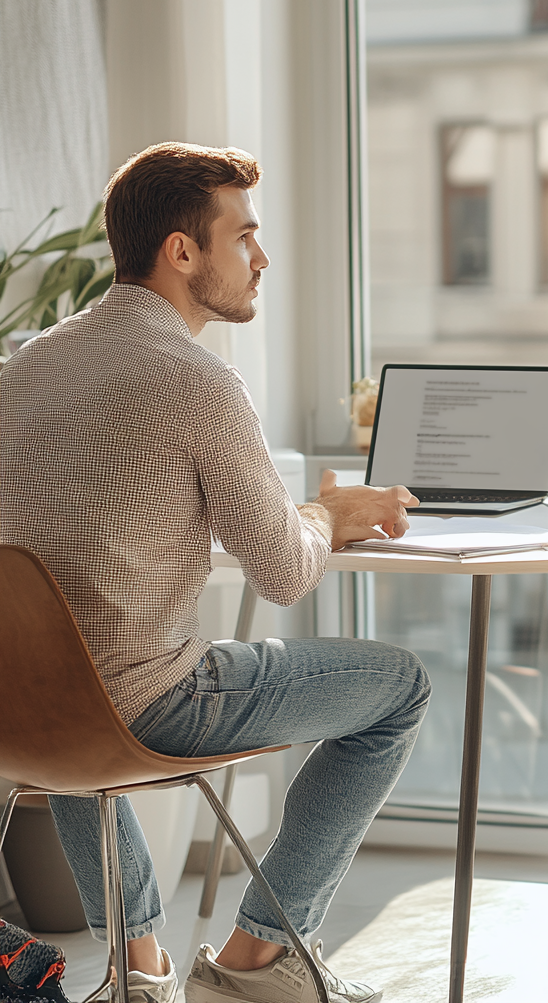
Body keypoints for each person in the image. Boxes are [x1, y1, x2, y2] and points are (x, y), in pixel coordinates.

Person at [0, 142, 430, 1003]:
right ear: (182, 251)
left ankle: (141, 972)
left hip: (22, 707)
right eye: (245, 237)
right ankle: (259, 962)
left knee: (85, 678)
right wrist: (326, 517)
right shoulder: (197, 381)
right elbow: (281, 573)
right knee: (400, 687)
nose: (261, 258)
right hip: (151, 704)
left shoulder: (22, 369)